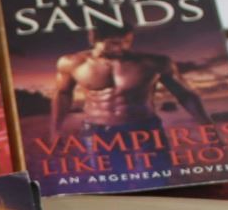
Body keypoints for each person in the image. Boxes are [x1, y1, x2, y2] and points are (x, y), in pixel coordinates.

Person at [48, 22, 210, 178]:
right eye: (115, 43)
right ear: (95, 40)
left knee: (157, 179)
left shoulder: (154, 63)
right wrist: (56, 130)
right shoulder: (71, 63)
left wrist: (207, 127)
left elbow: (185, 95)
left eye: (126, 42)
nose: (122, 47)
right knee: (109, 183)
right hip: (97, 132)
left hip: (145, 129)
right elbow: (63, 93)